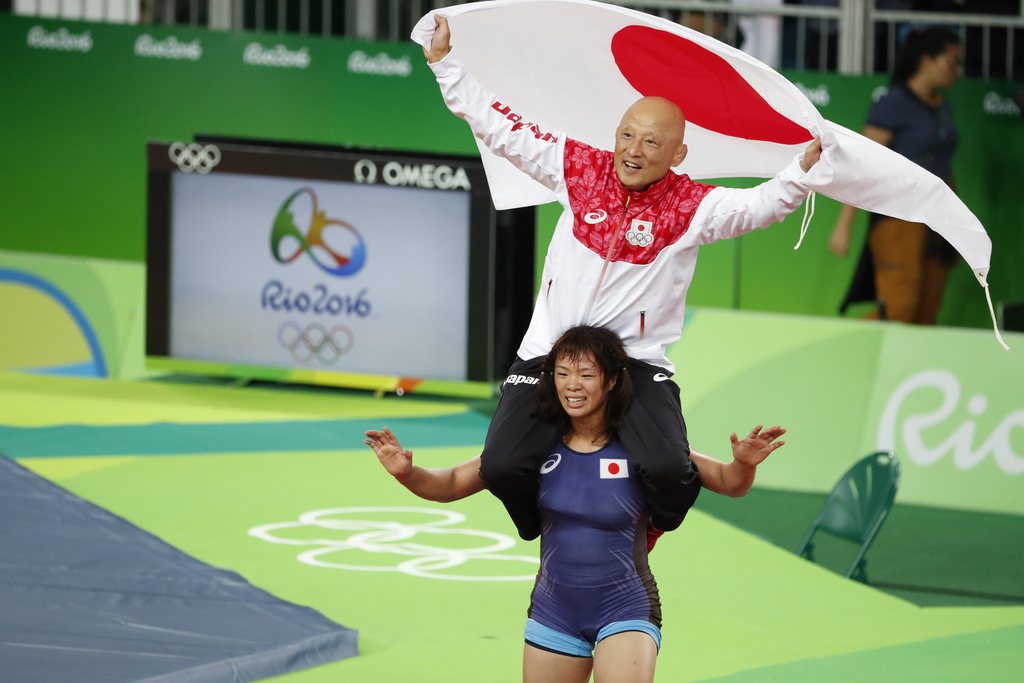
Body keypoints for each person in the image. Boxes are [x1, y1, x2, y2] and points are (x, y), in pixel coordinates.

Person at [423, 15, 819, 542]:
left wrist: (802, 172)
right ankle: (543, 521)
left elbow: (761, 206)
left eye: (652, 143)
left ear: (677, 154)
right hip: (549, 354)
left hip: (636, 363)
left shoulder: (693, 205)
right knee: (500, 465)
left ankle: (648, 528)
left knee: (670, 470)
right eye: (627, 136)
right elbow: (502, 126)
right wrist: (445, 65)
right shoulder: (578, 168)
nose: (634, 150)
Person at [365, 325, 786, 683]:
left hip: (627, 610)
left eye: (586, 374)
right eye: (562, 373)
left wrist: (743, 464)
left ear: (611, 381)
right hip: (553, 613)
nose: (571, 385)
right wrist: (407, 474)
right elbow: (454, 482)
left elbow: (731, 484)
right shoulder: (535, 447)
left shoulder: (643, 447)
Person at [829, 26, 962, 324]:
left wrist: (956, 220)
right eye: (952, 63)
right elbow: (860, 164)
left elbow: (942, 164)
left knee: (926, 313)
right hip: (898, 219)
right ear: (927, 60)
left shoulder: (943, 107)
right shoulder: (894, 103)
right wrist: (844, 225)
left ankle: (911, 371)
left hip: (939, 220)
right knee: (900, 310)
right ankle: (848, 351)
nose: (958, 71)